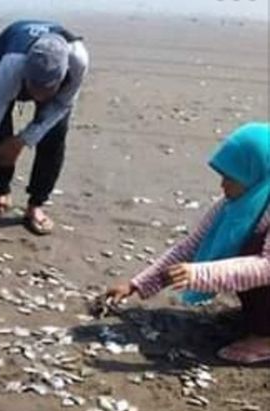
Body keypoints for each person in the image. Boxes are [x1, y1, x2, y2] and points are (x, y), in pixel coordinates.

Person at [106, 122, 270, 364]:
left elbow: (267, 267)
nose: (223, 185)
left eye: (231, 178)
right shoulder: (234, 206)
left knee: (254, 257)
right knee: (244, 250)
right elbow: (191, 246)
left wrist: (199, 274)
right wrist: (136, 285)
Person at [0, 20, 89, 234]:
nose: (37, 96)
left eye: (45, 90)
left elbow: (62, 104)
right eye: (32, 87)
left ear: (62, 76)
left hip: (55, 85)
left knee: (54, 134)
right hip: (9, 43)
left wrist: (23, 139)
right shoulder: (11, 66)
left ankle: (36, 204)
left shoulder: (78, 61)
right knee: (0, 126)